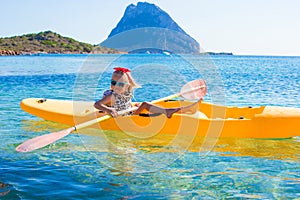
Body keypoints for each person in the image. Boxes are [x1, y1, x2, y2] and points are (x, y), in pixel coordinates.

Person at [94, 67, 200, 118]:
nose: (116, 87)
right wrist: (108, 109)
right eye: (113, 82)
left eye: (120, 84)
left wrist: (133, 104)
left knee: (144, 104)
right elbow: (97, 104)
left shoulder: (127, 92)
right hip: (123, 117)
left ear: (127, 86)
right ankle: (170, 111)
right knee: (145, 104)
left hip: (130, 112)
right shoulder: (112, 96)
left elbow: (125, 101)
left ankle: (183, 110)